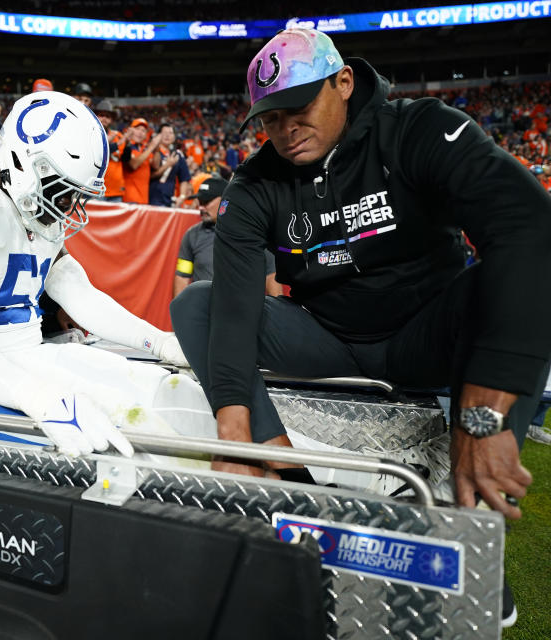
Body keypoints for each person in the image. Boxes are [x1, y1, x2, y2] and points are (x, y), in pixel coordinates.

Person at [170, 29, 551, 525]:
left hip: (426, 334)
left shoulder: (419, 129)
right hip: (329, 336)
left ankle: (467, 519)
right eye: (270, 118)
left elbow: (530, 228)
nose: (286, 129)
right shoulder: (255, 183)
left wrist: (485, 411)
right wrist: (234, 428)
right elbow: (237, 306)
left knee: (505, 281)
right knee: (197, 303)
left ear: (344, 82)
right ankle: (289, 477)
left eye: (299, 106)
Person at [0, 90, 210, 459]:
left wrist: (158, 342)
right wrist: (39, 398)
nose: (69, 207)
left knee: (167, 395)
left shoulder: (33, 213)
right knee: (125, 451)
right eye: (64, 192)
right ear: (25, 164)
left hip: (31, 360)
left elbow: (80, 295)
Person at [173, 177, 282, 299]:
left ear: (225, 200)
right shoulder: (192, 235)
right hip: (205, 313)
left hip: (243, 312)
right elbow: (183, 276)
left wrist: (278, 314)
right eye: (200, 202)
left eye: (206, 202)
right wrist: (181, 313)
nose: (201, 207)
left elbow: (271, 275)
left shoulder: (254, 234)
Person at [148, 123, 191, 208]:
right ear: (158, 135)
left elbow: (184, 178)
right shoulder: (150, 151)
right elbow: (149, 176)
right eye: (164, 133)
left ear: (174, 137)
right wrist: (168, 165)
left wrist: (182, 196)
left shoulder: (178, 155)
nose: (167, 135)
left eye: (170, 133)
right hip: (150, 198)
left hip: (169, 200)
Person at [93, 99, 127, 202]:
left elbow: (126, 159)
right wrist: (116, 144)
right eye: (101, 115)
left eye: (108, 116)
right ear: (96, 116)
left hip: (116, 190)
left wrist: (128, 142)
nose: (104, 119)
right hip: (95, 189)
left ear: (112, 120)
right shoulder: (91, 134)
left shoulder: (118, 136)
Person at [122, 118, 161, 204]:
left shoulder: (144, 149)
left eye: (143, 130)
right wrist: (152, 147)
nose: (140, 132)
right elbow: (133, 165)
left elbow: (156, 165)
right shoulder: (126, 146)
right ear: (130, 130)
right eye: (137, 129)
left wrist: (157, 149)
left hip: (143, 200)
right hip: (129, 199)